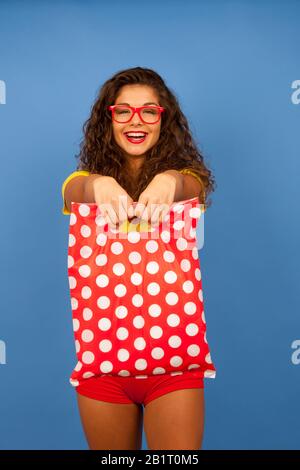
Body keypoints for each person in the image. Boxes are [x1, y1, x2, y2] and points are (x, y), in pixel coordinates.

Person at [61, 67, 216, 450]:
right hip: (103, 370)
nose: (136, 121)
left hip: (175, 367)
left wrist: (171, 180)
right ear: (108, 119)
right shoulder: (83, 182)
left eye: (149, 111)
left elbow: (191, 186)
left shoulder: (187, 180)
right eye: (123, 111)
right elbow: (72, 191)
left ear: (164, 120)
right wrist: (96, 183)